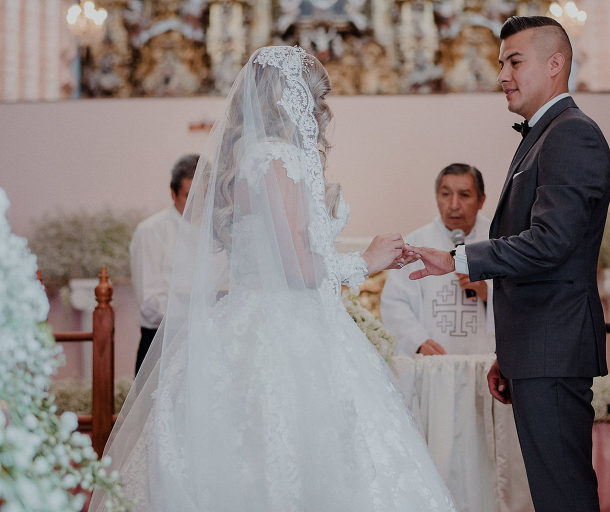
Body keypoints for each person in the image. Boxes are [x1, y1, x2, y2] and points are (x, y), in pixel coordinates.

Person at [89, 46, 456, 512]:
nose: (319, 111)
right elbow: (298, 269)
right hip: (286, 327)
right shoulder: (278, 157)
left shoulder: (246, 157)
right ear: (293, 99)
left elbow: (287, 250)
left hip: (248, 317)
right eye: (313, 97)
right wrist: (366, 260)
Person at [410, 16, 610, 512]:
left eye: (514, 61)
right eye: (502, 63)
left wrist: (458, 258)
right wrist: (511, 350)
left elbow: (549, 243)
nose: (502, 74)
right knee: (553, 492)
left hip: (555, 347)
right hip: (539, 347)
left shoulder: (571, 134)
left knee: (563, 494)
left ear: (555, 63)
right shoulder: (545, 135)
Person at [380, 163, 495, 356]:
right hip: (433, 362)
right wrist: (418, 341)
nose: (454, 205)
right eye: (445, 194)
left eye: (464, 195)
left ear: (481, 200)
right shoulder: (417, 242)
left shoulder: (497, 239)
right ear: (437, 198)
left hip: (483, 360)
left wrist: (488, 294)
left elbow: (521, 303)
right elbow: (395, 302)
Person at [129, 154, 198, 375]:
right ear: (173, 193)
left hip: (206, 342)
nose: (196, 203)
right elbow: (150, 303)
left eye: (202, 194)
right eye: (189, 196)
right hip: (161, 343)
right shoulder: (151, 231)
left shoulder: (217, 232)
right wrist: (195, 314)